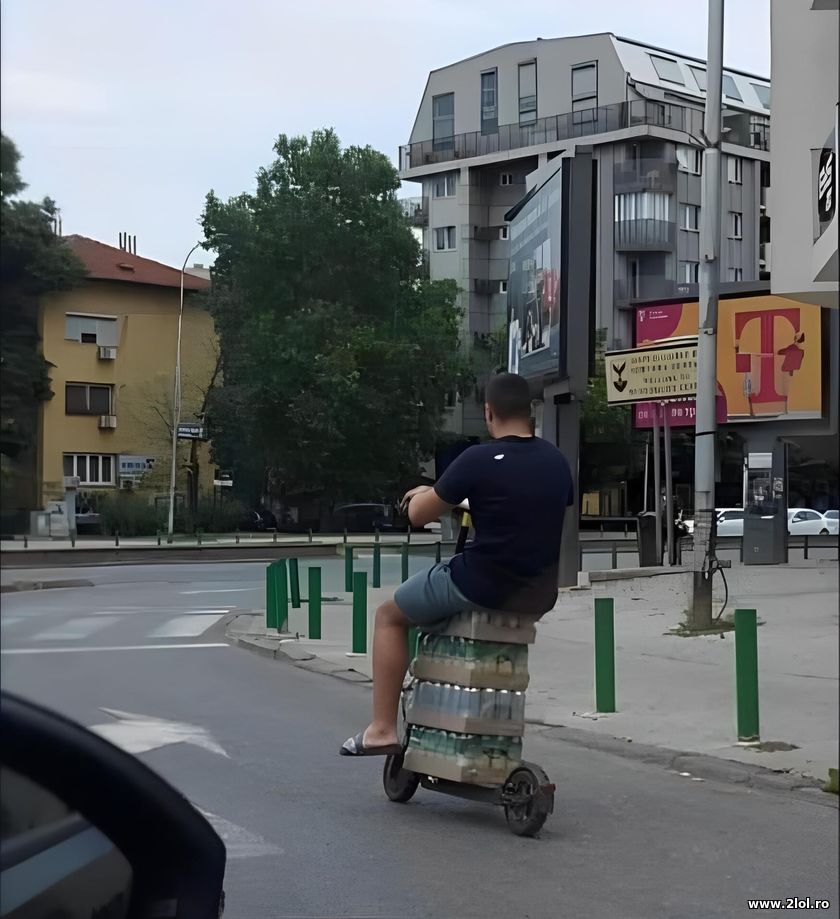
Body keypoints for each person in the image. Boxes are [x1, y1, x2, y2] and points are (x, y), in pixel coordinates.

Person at [340, 372, 574, 757]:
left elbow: (417, 515)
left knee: (389, 616)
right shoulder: (556, 462)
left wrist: (428, 492)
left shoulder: (477, 459)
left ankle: (381, 729)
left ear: (488, 411)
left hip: (480, 584)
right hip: (537, 592)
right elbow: (518, 507)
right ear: (530, 410)